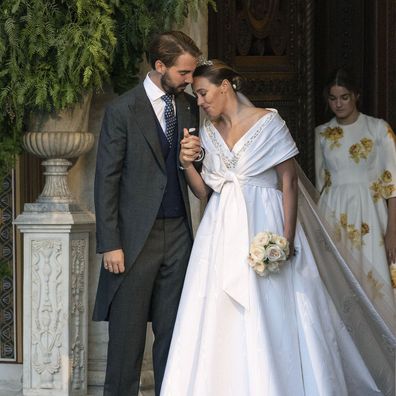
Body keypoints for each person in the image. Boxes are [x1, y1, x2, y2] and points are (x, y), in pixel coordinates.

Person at [160, 60, 383, 395]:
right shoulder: (207, 132)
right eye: (197, 95)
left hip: (264, 221)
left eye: (204, 93)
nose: (201, 101)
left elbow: (289, 181)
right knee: (215, 308)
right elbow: (204, 191)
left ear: (224, 87)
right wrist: (186, 163)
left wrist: (287, 239)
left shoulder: (268, 122)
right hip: (220, 231)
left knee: (270, 306)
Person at [92, 31, 203, 396]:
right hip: (134, 240)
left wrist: (195, 156)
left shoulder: (188, 106)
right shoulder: (122, 110)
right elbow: (106, 180)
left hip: (180, 235)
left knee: (174, 336)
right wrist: (111, 243)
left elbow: (193, 169)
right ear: (160, 67)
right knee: (127, 338)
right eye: (184, 73)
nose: (190, 80)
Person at [315, 68, 396, 306]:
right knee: (339, 280)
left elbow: (392, 185)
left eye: (344, 97)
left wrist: (392, 231)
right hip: (333, 210)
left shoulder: (379, 129)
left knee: (374, 276)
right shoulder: (322, 133)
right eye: (333, 98)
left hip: (370, 212)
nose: (338, 104)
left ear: (356, 95)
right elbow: (321, 184)